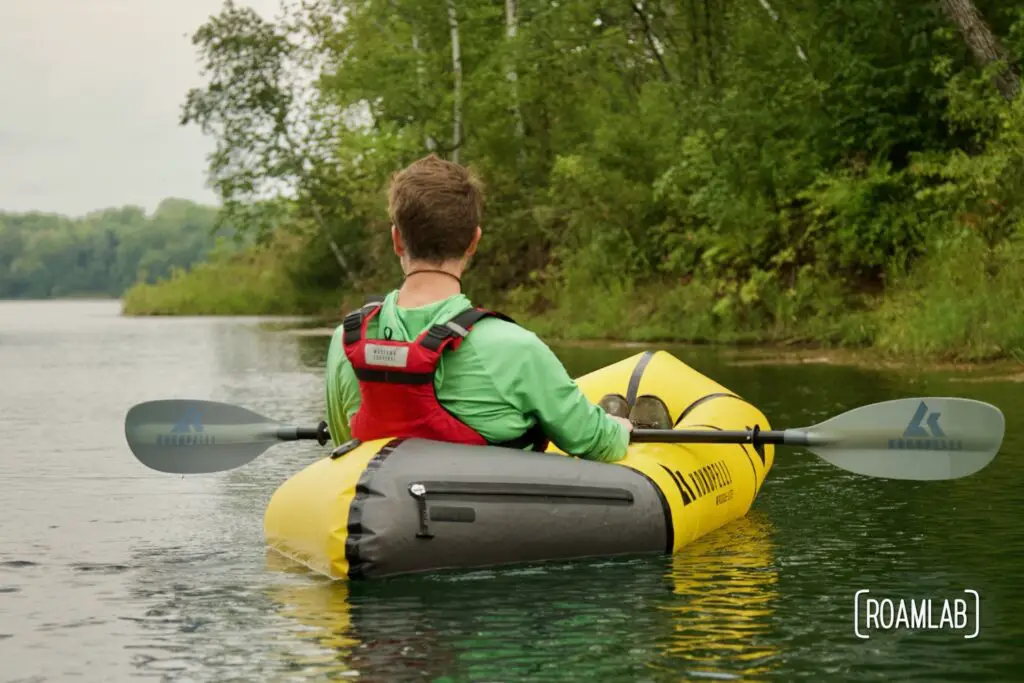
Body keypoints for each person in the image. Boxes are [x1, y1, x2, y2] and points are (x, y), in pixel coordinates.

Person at [323, 154, 633, 462]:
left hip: (381, 506)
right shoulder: (516, 348)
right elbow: (597, 443)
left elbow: (346, 449)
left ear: (397, 241)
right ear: (474, 241)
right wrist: (618, 427)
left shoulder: (347, 340)